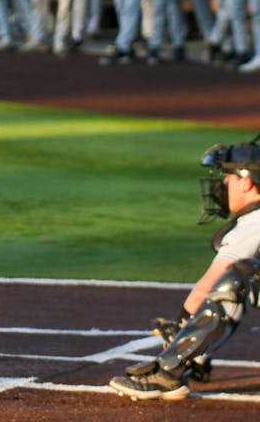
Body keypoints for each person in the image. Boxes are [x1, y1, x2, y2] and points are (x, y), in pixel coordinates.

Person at [109, 136, 260, 400]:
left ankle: (168, 372)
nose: (223, 183)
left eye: (229, 176)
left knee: (236, 280)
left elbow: (210, 286)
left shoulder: (255, 222)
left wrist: (181, 338)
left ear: (246, 182)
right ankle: (187, 359)